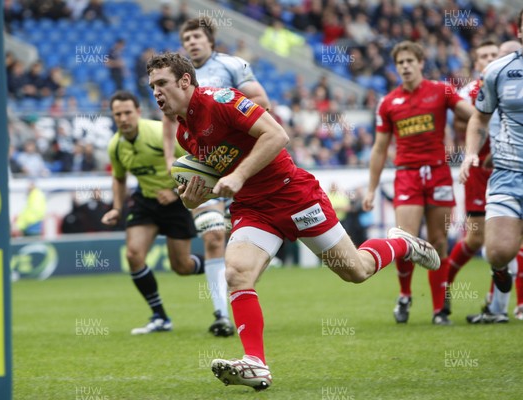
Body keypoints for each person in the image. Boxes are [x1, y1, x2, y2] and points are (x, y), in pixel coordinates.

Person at [147, 52, 440, 391]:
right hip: (254, 209)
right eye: (152, 86)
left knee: (356, 271)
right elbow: (212, 183)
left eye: (162, 83)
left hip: (294, 195)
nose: (156, 92)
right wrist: (192, 198)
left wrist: (239, 175)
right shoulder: (185, 135)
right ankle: (256, 363)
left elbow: (277, 136)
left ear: (185, 81)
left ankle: (402, 242)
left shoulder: (222, 100)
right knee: (237, 272)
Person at [162, 17, 271, 337]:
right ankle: (222, 315)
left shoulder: (232, 66)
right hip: (202, 162)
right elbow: (169, 121)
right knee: (211, 235)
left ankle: (243, 292)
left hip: (238, 160)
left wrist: (221, 118)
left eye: (197, 36)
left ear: (210, 40)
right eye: (186, 38)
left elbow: (263, 102)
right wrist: (171, 159)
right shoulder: (175, 78)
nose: (192, 42)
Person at [363, 41, 475, 325]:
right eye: (400, 62)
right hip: (407, 175)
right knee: (405, 240)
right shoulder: (388, 102)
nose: (405, 66)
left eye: (410, 60)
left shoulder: (442, 91)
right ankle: (405, 295)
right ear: (396, 66)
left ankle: (439, 310)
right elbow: (378, 148)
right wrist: (371, 188)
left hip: (437, 173)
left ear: (421, 62)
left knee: (438, 241)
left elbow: (474, 116)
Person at [101, 91, 206, 335]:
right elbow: (118, 178)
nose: (123, 118)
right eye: (118, 114)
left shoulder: (159, 134)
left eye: (128, 112)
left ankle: (217, 267)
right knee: (133, 254)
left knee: (182, 267)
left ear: (138, 112)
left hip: (176, 202)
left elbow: (196, 162)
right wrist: (117, 208)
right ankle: (160, 317)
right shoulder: (115, 146)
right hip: (146, 202)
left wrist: (174, 191)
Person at [448, 40, 522, 323]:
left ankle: (503, 307)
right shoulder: (472, 90)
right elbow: (465, 123)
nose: (492, 58)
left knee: (512, 243)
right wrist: (473, 154)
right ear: (477, 62)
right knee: (484, 240)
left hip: (501, 164)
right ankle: (446, 283)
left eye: (496, 54)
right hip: (484, 170)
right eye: (486, 55)